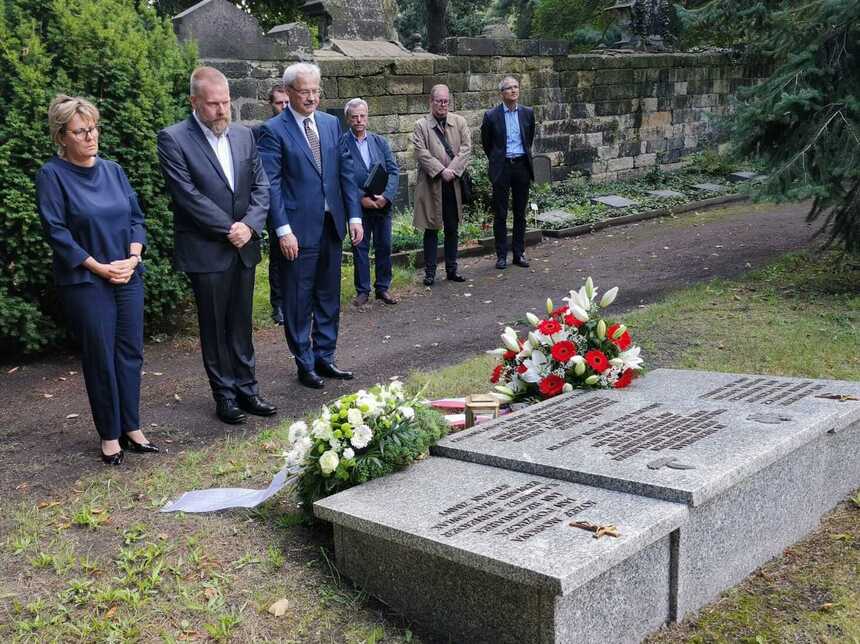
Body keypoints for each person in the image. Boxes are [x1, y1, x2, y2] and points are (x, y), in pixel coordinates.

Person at [36, 95, 156, 465]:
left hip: (127, 274)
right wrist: (101, 268)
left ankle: (132, 427)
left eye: (94, 128)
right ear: (62, 136)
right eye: (81, 131)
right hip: (88, 281)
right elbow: (57, 233)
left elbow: (136, 217)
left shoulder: (114, 170)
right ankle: (109, 434)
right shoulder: (52, 175)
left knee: (130, 353)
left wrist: (133, 258)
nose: (91, 136)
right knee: (101, 356)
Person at [157, 66, 276, 425]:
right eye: (213, 104)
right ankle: (224, 396)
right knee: (214, 326)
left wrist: (250, 227)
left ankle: (248, 389)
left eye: (225, 102)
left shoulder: (243, 135)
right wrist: (230, 229)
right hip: (207, 250)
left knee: (241, 323)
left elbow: (262, 187)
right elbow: (187, 197)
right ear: (194, 102)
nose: (223, 110)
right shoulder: (173, 139)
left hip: (243, 247)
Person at [257, 62, 363, 389]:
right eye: (305, 92)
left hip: (332, 224)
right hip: (297, 232)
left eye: (316, 91)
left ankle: (325, 357)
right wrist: (282, 229)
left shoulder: (332, 124)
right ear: (289, 93)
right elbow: (271, 184)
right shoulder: (273, 130)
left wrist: (354, 215)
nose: (312, 98)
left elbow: (345, 172)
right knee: (299, 300)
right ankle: (304, 363)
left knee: (329, 296)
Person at [340, 97, 400, 307]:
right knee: (360, 248)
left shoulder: (379, 142)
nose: (359, 120)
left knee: (384, 246)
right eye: (354, 117)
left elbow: (393, 170)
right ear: (348, 119)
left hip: (382, 205)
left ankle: (383, 288)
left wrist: (386, 196)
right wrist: (360, 199)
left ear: (367, 117)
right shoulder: (341, 144)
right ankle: (362, 290)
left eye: (362, 116)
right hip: (360, 208)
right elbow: (341, 177)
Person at [411, 84, 471, 286]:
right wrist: (440, 170)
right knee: (431, 229)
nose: (443, 105)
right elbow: (421, 152)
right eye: (439, 101)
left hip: (452, 184)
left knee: (452, 228)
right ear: (431, 101)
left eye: (446, 101)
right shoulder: (421, 125)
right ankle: (429, 272)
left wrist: (452, 170)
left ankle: (452, 269)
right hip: (432, 185)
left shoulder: (459, 122)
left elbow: (466, 148)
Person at [480, 75, 535, 269]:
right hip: (502, 167)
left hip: (521, 166)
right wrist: (497, 160)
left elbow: (529, 138)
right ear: (502, 93)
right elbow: (487, 144)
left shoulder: (528, 113)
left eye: (516, 87)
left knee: (520, 213)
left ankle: (518, 254)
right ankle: (501, 255)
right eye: (509, 88)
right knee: (500, 214)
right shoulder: (491, 116)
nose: (514, 90)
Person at [255, 84, 290, 325]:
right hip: (276, 203)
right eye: (280, 103)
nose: (284, 107)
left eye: (287, 102)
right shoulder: (263, 131)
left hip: (299, 203)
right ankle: (278, 305)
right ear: (271, 105)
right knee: (279, 256)